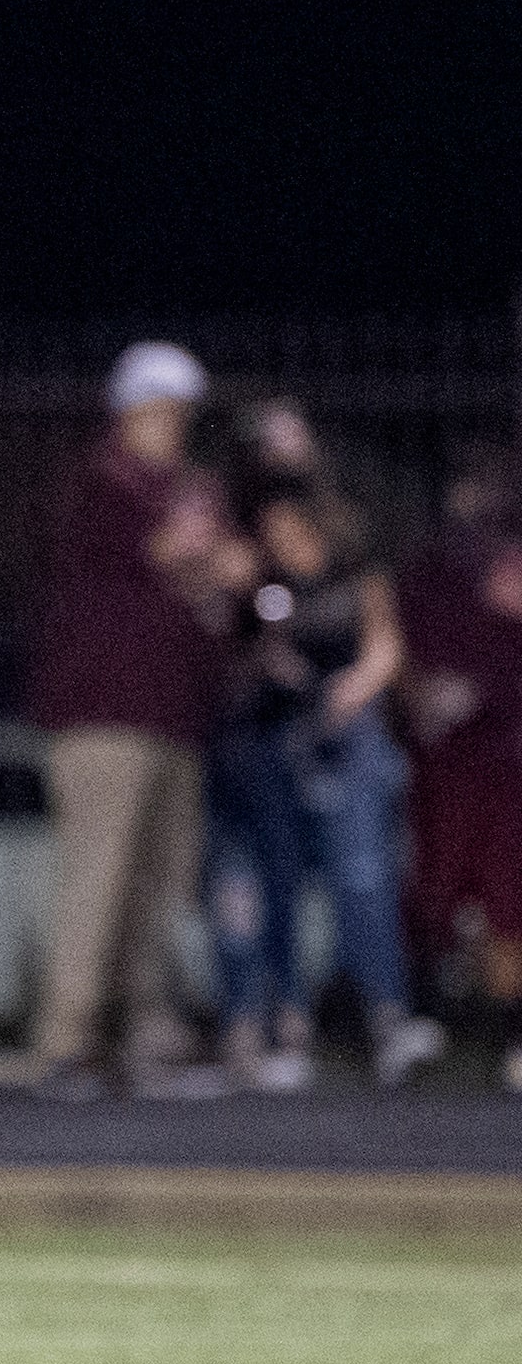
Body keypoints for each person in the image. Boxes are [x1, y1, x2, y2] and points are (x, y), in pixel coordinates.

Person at [25, 343, 255, 1102]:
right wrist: (211, 550)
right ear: (131, 410)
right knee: (98, 878)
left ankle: (142, 1039)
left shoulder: (187, 484)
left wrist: (219, 556)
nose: (172, 425)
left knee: (158, 884)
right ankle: (67, 1043)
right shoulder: (104, 479)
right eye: (160, 410)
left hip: (174, 713)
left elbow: (229, 568)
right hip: (104, 717)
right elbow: (185, 549)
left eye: (180, 412)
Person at [202, 463, 440, 1090]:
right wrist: (270, 659)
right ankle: (287, 1021)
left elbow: (387, 646)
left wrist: (356, 688)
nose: (280, 537)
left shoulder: (356, 574)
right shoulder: (266, 587)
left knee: (362, 876)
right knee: (271, 880)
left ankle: (387, 1016)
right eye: (270, 528)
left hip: (351, 735)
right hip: (282, 741)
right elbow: (241, 652)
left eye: (289, 525)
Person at [395, 446, 522, 1087]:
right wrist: (423, 695)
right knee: (437, 884)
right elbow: (405, 652)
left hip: (505, 751)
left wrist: (483, 689)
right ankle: (425, 1022)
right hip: (449, 756)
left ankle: (511, 1035)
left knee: (508, 895)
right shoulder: (430, 567)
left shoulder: (504, 562)